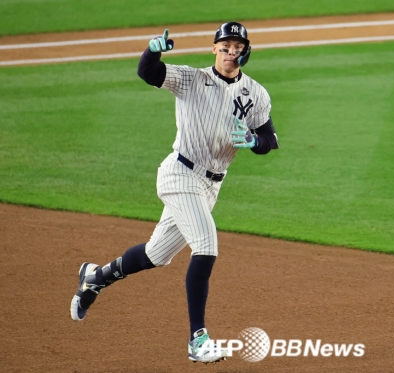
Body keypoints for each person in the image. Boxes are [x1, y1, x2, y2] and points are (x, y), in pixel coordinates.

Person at [70, 21, 279, 364]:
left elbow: (270, 140)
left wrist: (255, 141)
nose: (231, 52)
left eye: (237, 47)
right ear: (214, 49)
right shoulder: (191, 78)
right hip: (179, 174)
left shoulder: (255, 93)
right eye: (225, 46)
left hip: (211, 186)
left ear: (246, 51)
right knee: (206, 244)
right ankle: (198, 340)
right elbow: (148, 73)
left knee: (156, 254)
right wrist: (152, 51)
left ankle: (95, 277)